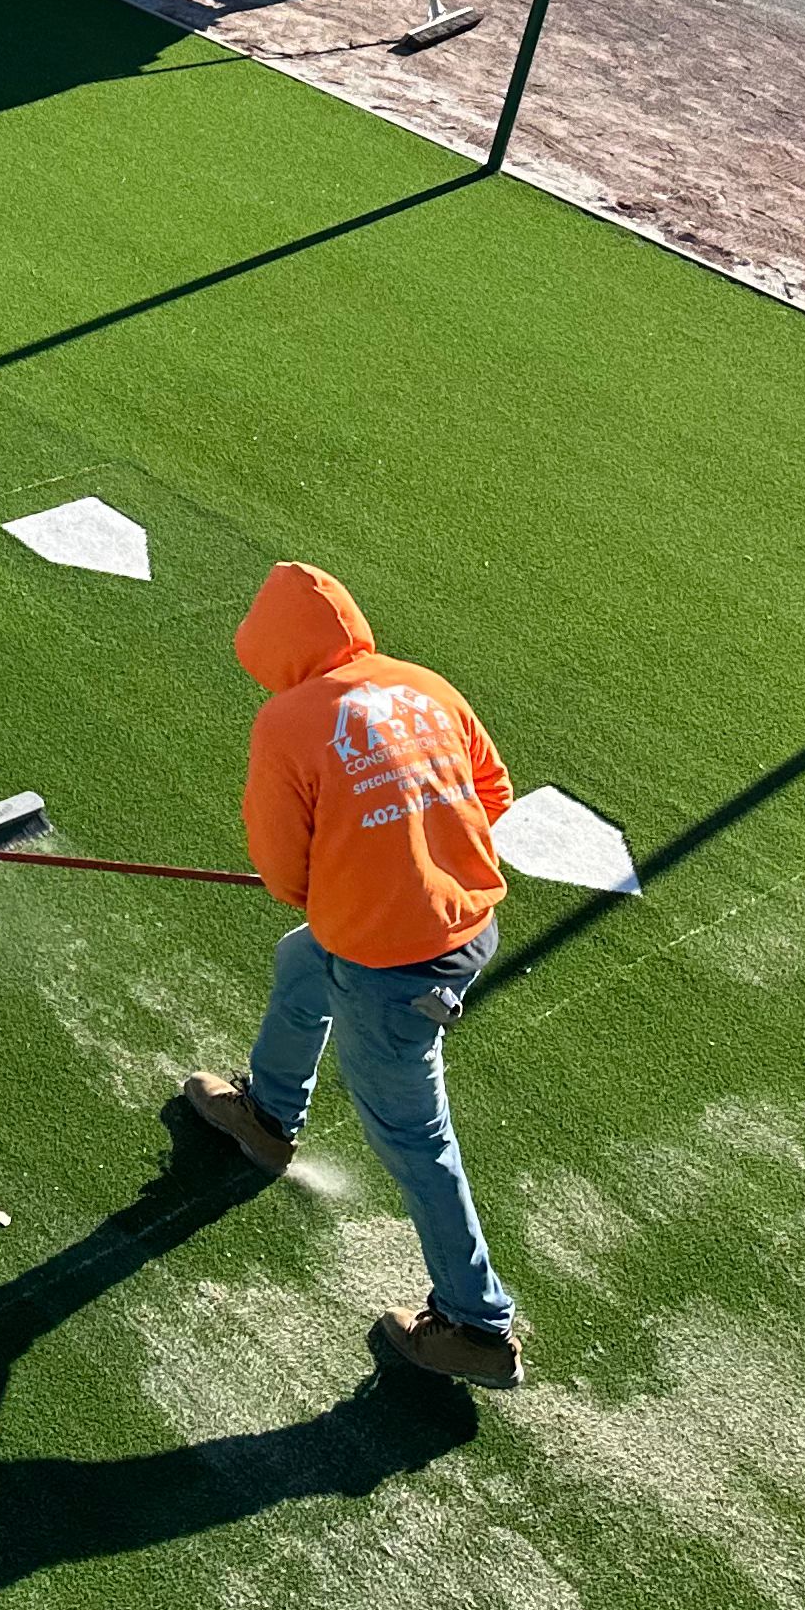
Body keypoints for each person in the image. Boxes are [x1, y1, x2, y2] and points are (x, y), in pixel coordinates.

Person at [178, 561, 526, 1391]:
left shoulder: (287, 723)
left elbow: (279, 864)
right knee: (302, 961)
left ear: (271, 647)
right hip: (461, 925)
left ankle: (477, 1326)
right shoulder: (422, 684)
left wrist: (343, 882)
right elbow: (494, 793)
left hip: (392, 966)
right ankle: (266, 1112)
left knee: (415, 1139)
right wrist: (405, 847)